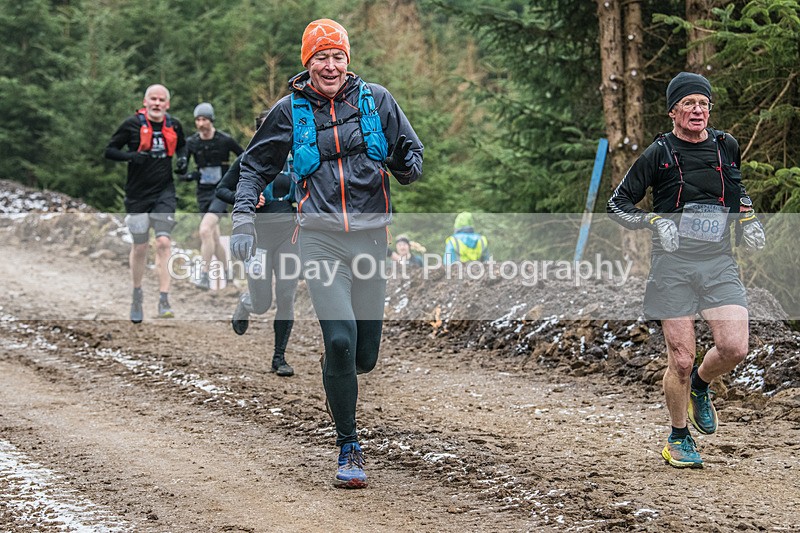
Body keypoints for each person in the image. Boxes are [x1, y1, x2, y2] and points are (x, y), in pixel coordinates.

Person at [230, 19, 423, 488]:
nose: (330, 65)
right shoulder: (288, 111)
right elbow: (253, 166)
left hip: (371, 239)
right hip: (318, 238)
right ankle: (349, 446)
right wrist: (241, 218)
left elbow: (413, 161)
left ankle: (336, 369)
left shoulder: (375, 100)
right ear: (307, 62)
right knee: (339, 340)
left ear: (347, 60)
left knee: (363, 356)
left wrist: (400, 161)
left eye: (337, 56)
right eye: (321, 57)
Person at [607, 72, 766, 468]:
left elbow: (736, 189)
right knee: (680, 358)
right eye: (689, 104)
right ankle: (678, 437)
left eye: (704, 104)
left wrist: (747, 219)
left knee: (734, 347)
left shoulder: (725, 145)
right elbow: (618, 202)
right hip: (672, 265)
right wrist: (653, 222)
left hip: (718, 262)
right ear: (673, 110)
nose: (698, 111)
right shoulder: (657, 154)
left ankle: (700, 386)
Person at [216, 111, 298, 377]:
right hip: (258, 237)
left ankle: (279, 358)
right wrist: (248, 198)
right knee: (263, 303)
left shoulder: (296, 159)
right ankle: (246, 302)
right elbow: (222, 190)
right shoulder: (247, 160)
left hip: (289, 235)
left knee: (286, 295)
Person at [105, 84, 187, 323]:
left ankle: (164, 299)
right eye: (153, 99)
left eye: (162, 100)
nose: (157, 103)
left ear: (167, 104)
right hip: (137, 195)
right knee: (140, 247)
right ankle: (137, 293)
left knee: (163, 242)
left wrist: (182, 160)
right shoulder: (131, 125)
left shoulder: (174, 124)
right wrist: (132, 157)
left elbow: (182, 145)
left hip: (164, 192)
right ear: (145, 101)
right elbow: (109, 150)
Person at [181, 102, 244, 289]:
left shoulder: (225, 140)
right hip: (202, 192)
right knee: (214, 239)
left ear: (211, 120)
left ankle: (204, 275)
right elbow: (182, 164)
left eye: (204, 119)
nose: (201, 123)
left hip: (221, 191)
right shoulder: (192, 142)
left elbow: (245, 158)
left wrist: (235, 179)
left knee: (205, 230)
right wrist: (190, 174)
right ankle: (228, 274)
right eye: (198, 120)